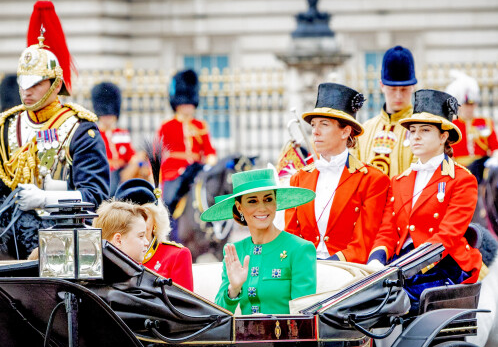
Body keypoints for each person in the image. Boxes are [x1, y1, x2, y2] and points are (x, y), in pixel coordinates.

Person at [0, 0, 109, 258]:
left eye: (35, 83)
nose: (26, 91)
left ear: (56, 84)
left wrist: (46, 198)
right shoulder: (6, 126)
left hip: (61, 237)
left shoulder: (81, 129)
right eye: (23, 82)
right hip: (8, 235)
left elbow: (95, 196)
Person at [367, 89, 482, 310]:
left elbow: (447, 235)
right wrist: (376, 260)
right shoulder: (400, 180)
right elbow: (388, 229)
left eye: (425, 130)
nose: (415, 136)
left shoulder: (461, 179)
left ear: (443, 136)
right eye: (412, 130)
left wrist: (404, 267)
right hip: (402, 264)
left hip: (442, 265)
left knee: (388, 305)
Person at [285, 82, 390, 263]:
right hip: (304, 273)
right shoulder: (299, 178)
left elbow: (363, 244)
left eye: (324, 124)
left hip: (347, 274)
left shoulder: (372, 180)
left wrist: (328, 267)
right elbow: (290, 237)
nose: (315, 132)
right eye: (314, 125)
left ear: (345, 132)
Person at [201, 168, 316, 315]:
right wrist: (234, 289)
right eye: (252, 201)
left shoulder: (300, 249)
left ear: (275, 203)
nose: (262, 208)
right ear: (239, 207)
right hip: (244, 338)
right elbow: (218, 316)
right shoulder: (234, 251)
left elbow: (305, 318)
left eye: (268, 199)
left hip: (285, 337)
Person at [114, 178, 194, 292]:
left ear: (156, 220)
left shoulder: (176, 256)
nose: (138, 225)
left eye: (144, 216)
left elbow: (185, 308)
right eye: (129, 219)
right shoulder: (110, 256)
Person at [157, 69, 217, 216]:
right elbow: (156, 152)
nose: (187, 106)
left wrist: (211, 160)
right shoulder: (167, 125)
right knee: (169, 200)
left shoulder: (200, 125)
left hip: (196, 169)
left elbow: (209, 150)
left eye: (190, 103)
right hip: (174, 171)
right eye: (184, 103)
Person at [354, 45, 417, 177]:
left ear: (413, 87)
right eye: (393, 89)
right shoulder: (364, 130)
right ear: (381, 85)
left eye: (404, 89)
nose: (398, 96)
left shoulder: (422, 129)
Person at [444, 71, 498, 181]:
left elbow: (496, 146)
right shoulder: (452, 124)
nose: (469, 108)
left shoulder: (485, 122)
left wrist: (496, 158)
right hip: (458, 170)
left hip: (482, 170)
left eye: (472, 104)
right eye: (466, 105)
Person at [91, 81, 147, 194]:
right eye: (105, 115)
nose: (108, 118)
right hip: (105, 173)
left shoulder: (122, 133)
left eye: (110, 115)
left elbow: (130, 155)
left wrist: (137, 161)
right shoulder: (95, 133)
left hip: (123, 173)